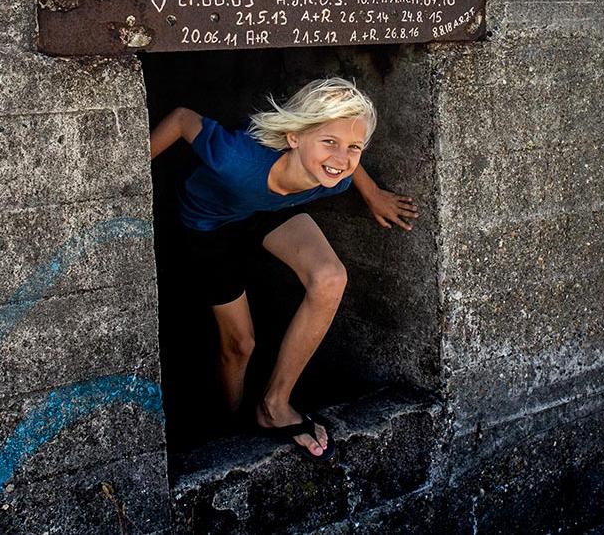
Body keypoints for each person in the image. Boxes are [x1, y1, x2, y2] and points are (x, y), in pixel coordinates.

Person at [147, 78, 418, 458]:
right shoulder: (236, 160)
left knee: (330, 278)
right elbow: (180, 119)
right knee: (241, 345)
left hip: (267, 209)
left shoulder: (333, 177)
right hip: (210, 222)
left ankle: (274, 405)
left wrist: (372, 194)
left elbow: (346, 158)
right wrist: (127, 177)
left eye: (354, 147)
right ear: (293, 137)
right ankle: (228, 426)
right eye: (328, 142)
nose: (341, 159)